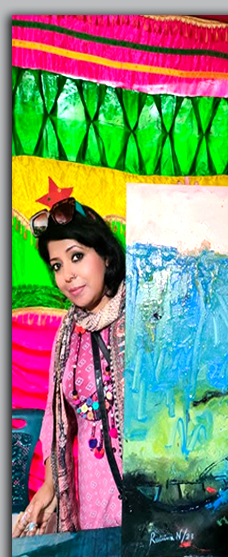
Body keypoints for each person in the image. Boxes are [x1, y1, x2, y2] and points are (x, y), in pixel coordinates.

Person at [12, 197, 126, 537]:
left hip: (147, 498)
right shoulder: (67, 337)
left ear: (106, 256)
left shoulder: (144, 319)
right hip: (94, 504)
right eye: (57, 265)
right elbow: (55, 417)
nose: (67, 276)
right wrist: (50, 484)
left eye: (76, 257)